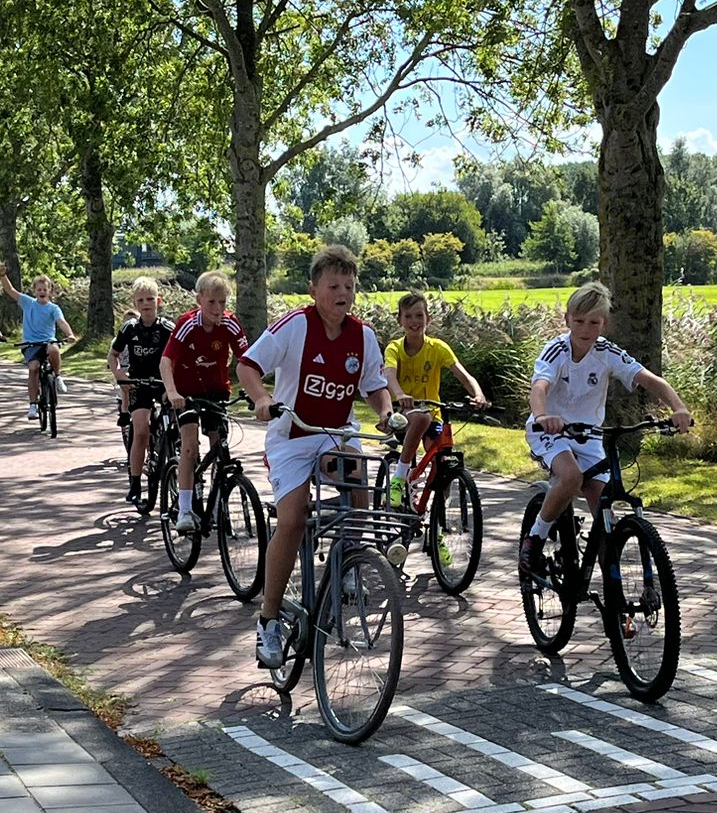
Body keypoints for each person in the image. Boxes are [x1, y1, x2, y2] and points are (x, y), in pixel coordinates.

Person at [237, 245, 394, 669]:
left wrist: (385, 412)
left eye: (349, 286)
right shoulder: (295, 326)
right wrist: (262, 397)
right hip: (292, 435)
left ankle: (348, 565)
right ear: (314, 290)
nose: (343, 294)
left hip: (334, 434)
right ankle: (269, 620)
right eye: (334, 286)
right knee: (292, 520)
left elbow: (375, 385)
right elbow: (248, 365)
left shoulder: (362, 335)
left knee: (355, 475)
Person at [523, 282, 693, 577]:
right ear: (567, 320)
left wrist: (679, 408)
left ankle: (614, 594)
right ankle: (534, 540)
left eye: (594, 322)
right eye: (579, 321)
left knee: (604, 512)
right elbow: (539, 387)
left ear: (604, 324)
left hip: (589, 436)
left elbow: (650, 379)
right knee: (571, 477)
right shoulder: (556, 351)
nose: (585, 329)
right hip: (550, 431)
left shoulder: (606, 352)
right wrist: (543, 415)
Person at [160, 270, 247, 535]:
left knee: (219, 445)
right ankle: (185, 510)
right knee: (189, 446)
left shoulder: (230, 324)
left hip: (216, 392)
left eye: (222, 302)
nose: (218, 309)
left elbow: (248, 359)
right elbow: (166, 361)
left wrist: (258, 394)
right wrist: (172, 392)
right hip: (186, 394)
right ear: (199, 300)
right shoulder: (187, 324)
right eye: (211, 302)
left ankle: (218, 503)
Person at [384, 291, 486, 503]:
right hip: (403, 413)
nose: (414, 321)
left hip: (433, 413)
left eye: (419, 315)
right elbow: (389, 375)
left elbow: (464, 376)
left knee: (442, 460)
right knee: (421, 417)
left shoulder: (438, 348)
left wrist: (478, 395)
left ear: (428, 319)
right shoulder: (394, 348)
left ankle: (439, 514)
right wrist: (400, 394)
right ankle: (399, 478)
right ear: (399, 320)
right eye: (408, 316)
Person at [109, 278, 173, 505]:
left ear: (158, 301)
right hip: (138, 384)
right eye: (141, 300)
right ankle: (135, 483)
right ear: (134, 303)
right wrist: (120, 376)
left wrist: (173, 386)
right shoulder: (129, 328)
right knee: (141, 430)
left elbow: (181, 357)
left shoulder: (168, 329)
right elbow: (113, 356)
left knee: (177, 425)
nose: (146, 304)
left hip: (163, 383)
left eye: (150, 299)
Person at [0, 266, 78, 420]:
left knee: (54, 350)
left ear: (50, 291)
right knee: (33, 368)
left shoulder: (54, 308)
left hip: (48, 342)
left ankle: (58, 376)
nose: (42, 292)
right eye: (39, 289)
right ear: (34, 291)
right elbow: (10, 290)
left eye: (45, 289)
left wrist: (70, 334)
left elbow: (61, 322)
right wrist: (2, 275)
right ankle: (33, 405)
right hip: (31, 344)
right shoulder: (28, 303)